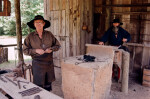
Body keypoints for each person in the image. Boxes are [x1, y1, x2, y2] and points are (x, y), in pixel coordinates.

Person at [23, 15, 61, 91]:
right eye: (36, 22)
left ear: (43, 24)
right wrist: (35, 50)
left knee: (48, 84)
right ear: (34, 24)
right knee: (38, 86)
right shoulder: (30, 37)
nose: (38, 24)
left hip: (49, 63)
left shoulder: (49, 34)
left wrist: (51, 49)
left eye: (40, 22)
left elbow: (58, 46)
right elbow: (25, 50)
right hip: (37, 64)